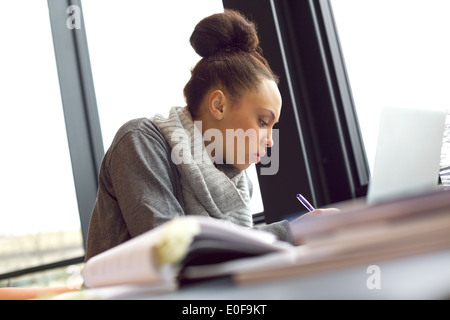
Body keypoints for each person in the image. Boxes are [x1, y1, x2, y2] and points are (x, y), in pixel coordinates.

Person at [85, 9, 336, 261]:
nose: (270, 140)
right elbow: (174, 253)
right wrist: (293, 231)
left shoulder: (237, 183)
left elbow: (230, 258)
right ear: (218, 105)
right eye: (262, 121)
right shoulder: (139, 141)